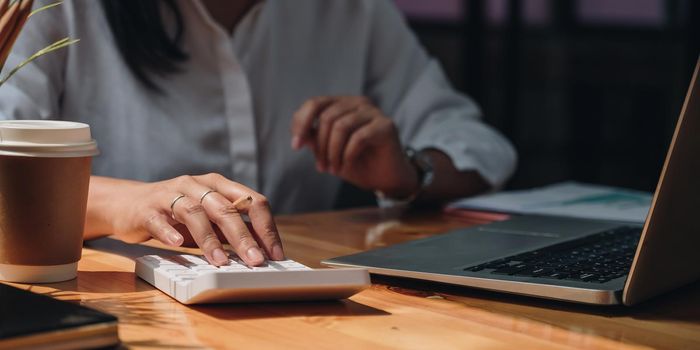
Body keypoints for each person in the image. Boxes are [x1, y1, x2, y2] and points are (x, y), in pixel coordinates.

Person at [0, 0, 516, 267]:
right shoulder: (55, 8)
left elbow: (477, 146)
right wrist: (134, 204)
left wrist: (407, 170)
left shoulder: (349, 11)